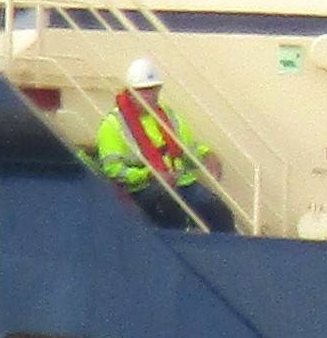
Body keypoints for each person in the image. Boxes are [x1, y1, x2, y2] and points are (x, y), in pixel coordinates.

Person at [90, 56, 238, 231]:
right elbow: (113, 169)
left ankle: (223, 253)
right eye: (143, 90)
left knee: (218, 210)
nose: (150, 95)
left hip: (181, 182)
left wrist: (207, 155)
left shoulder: (169, 116)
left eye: (153, 90)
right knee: (167, 205)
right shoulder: (112, 125)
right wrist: (150, 174)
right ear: (129, 92)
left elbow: (188, 149)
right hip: (143, 188)